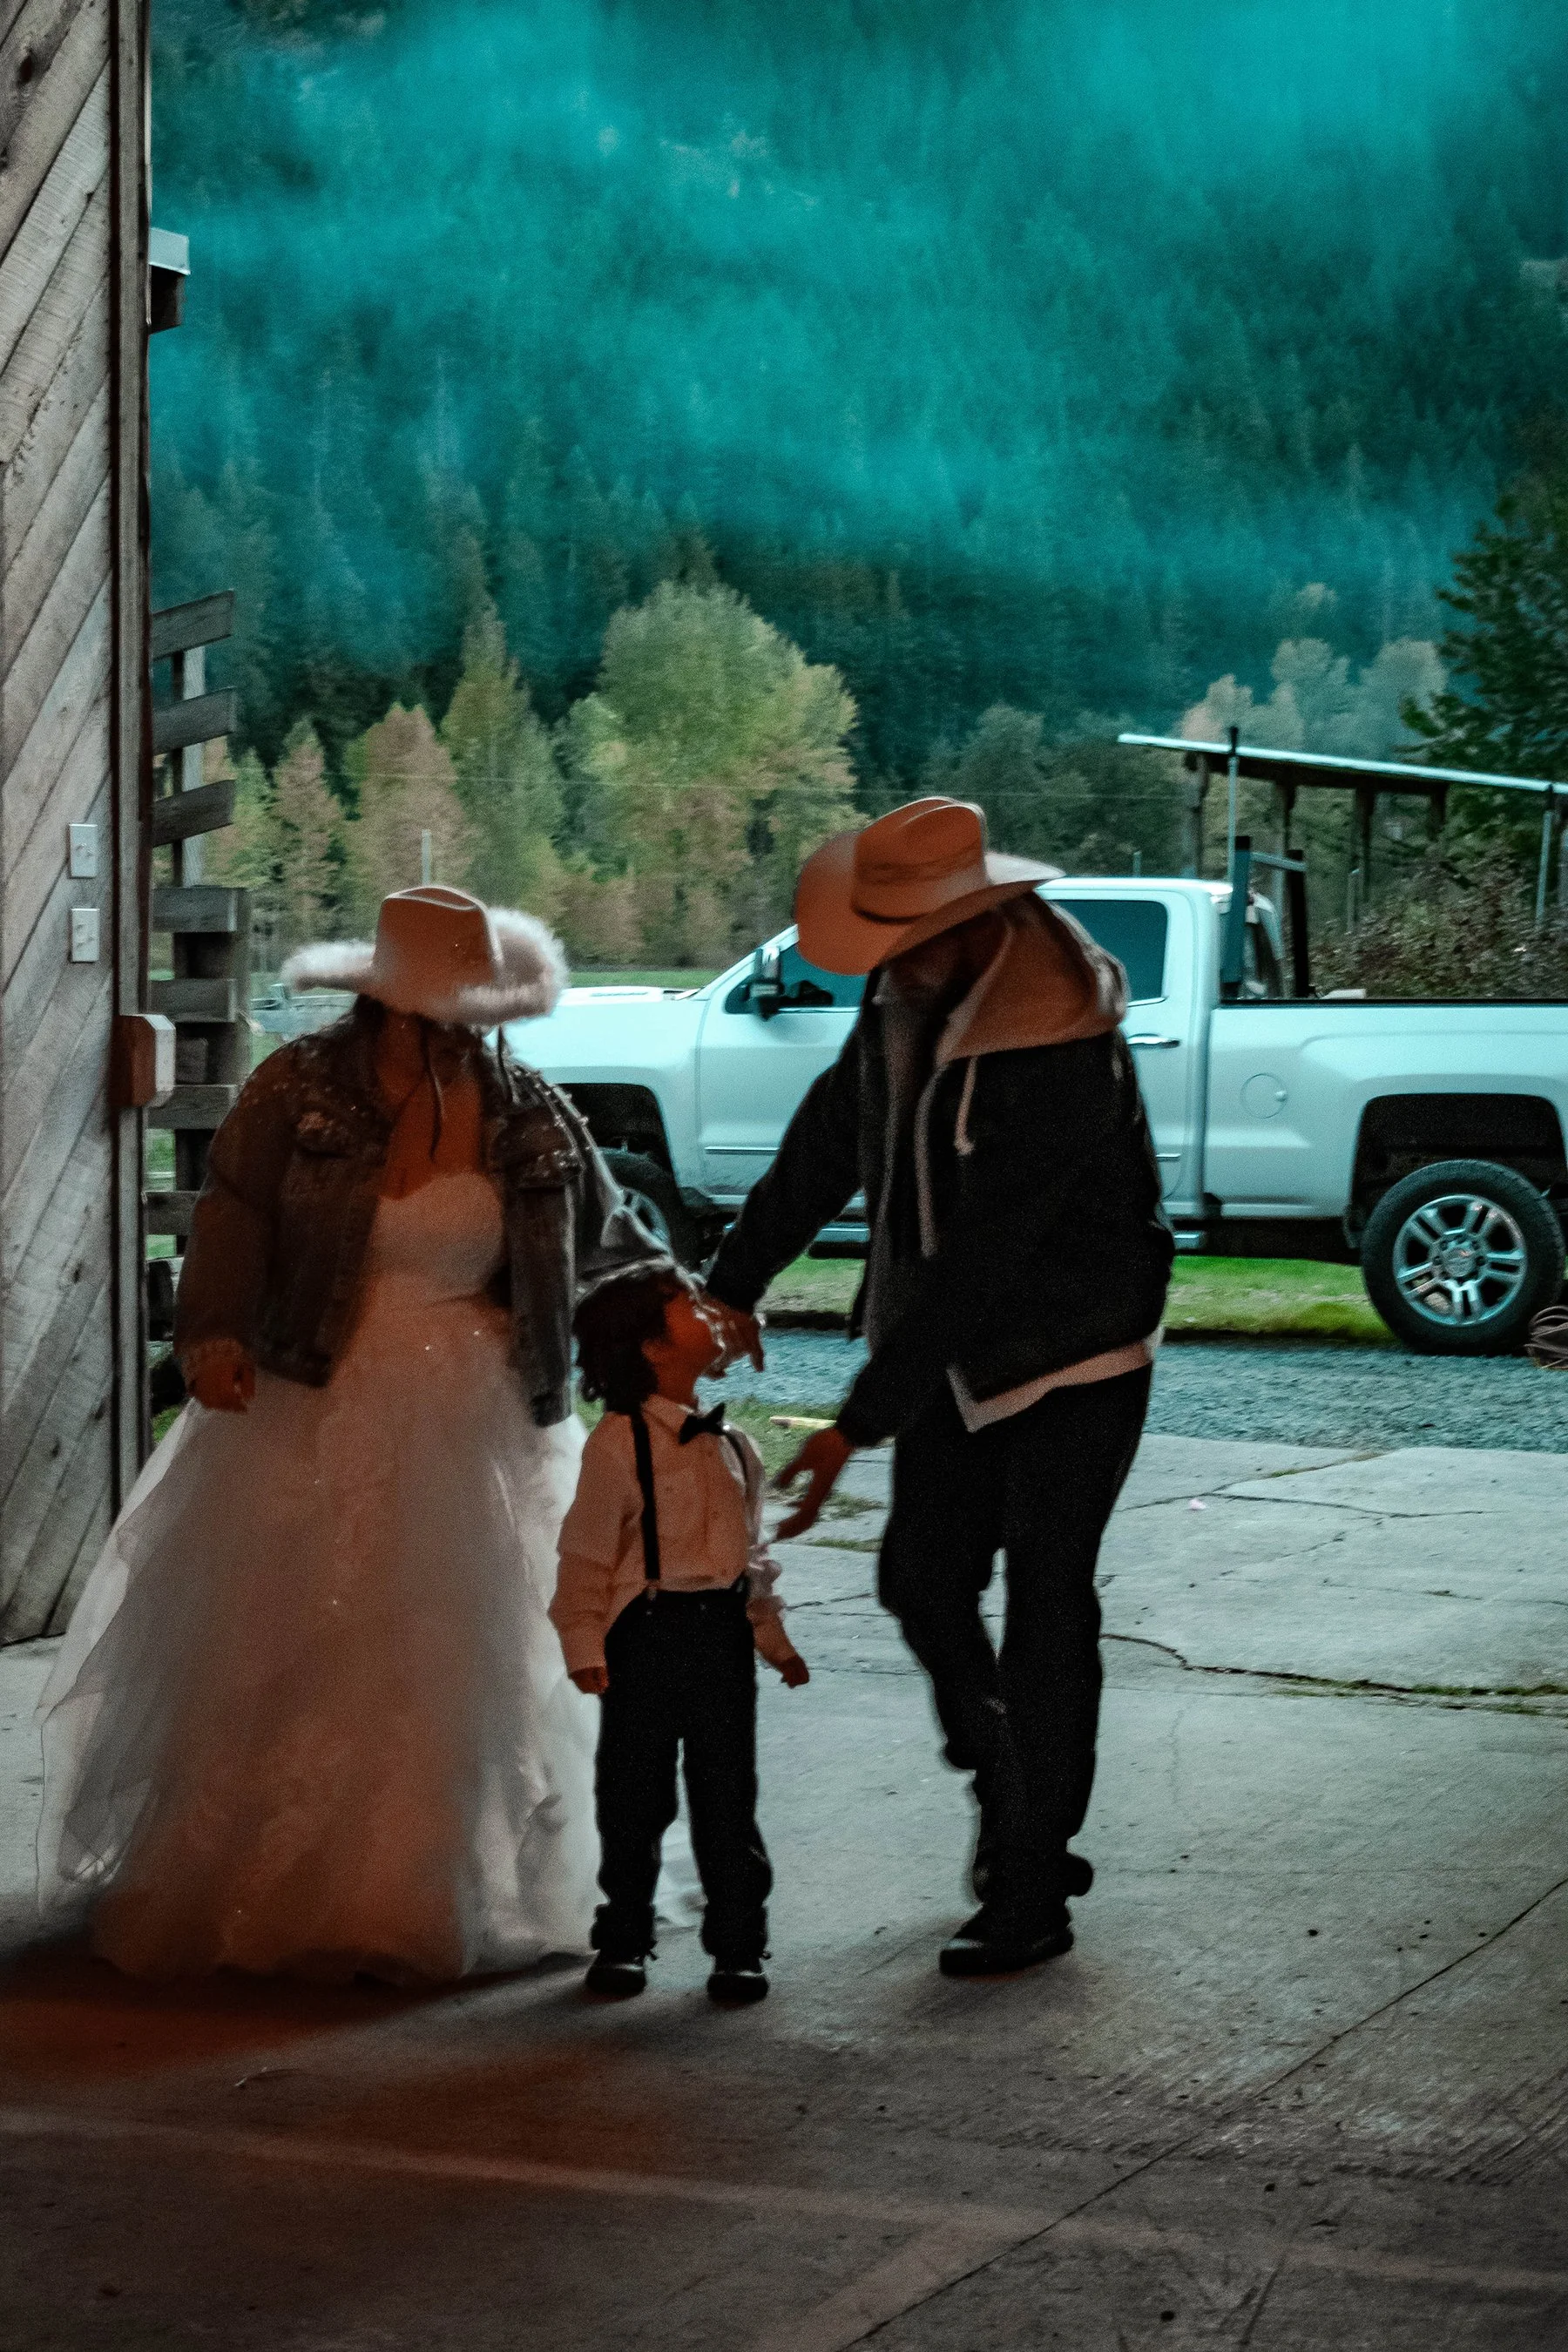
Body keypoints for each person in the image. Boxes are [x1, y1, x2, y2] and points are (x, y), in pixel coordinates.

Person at [37, 885, 660, 1983]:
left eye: (479, 1007)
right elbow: (234, 1207)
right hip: (321, 1386)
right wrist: (215, 1330)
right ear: (390, 1002)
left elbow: (610, 1231)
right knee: (294, 1634)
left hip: (483, 1409)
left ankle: (421, 1888)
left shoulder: (528, 1108)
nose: (467, 1027)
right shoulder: (298, 1089)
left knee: (462, 1646)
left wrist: (677, 1308)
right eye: (448, 1006)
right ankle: (268, 1884)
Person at [702, 798, 1173, 1978]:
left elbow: (985, 1262)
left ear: (972, 919)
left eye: (902, 938)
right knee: (919, 1579)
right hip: (959, 1350)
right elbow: (831, 1134)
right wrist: (736, 1281)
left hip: (1080, 1343)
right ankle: (1014, 1798)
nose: (886, 963)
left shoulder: (1061, 1036)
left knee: (1048, 1592)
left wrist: (857, 1422)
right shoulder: (916, 989)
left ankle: (1029, 1877)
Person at [551, 1263, 808, 2006]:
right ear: (651, 1347)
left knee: (729, 1797)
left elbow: (748, 1562)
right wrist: (584, 1646)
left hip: (721, 1637)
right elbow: (587, 1557)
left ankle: (738, 1944)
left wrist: (772, 1639)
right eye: (690, 1307)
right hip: (647, 1636)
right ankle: (624, 1937)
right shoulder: (617, 1446)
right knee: (635, 1797)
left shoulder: (734, 1447)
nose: (713, 1314)